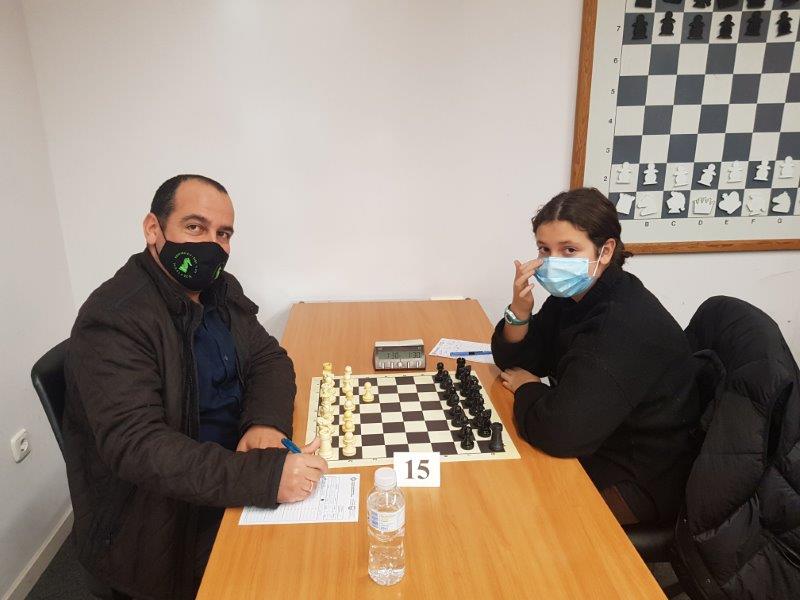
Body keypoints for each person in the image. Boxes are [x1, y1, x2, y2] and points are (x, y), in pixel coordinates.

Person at [62, 174, 327, 599]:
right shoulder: (114, 319)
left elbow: (268, 359)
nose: (212, 245)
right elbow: (140, 448)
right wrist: (262, 477)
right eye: (194, 227)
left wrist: (264, 423)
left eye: (223, 234)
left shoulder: (218, 289)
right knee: (294, 577)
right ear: (153, 229)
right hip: (162, 523)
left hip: (228, 474)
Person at [491, 187, 701, 525]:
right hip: (598, 437)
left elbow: (562, 432)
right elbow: (522, 361)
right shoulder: (574, 297)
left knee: (519, 517)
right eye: (544, 249)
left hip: (640, 477)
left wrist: (528, 388)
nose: (553, 262)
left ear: (606, 251)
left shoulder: (620, 322)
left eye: (569, 250)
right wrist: (520, 310)